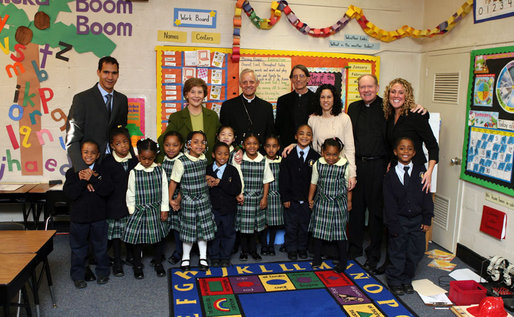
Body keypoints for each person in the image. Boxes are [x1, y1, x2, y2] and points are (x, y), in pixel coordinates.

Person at [347, 74, 426, 273]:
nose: (366, 90)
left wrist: (423, 111)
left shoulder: (387, 107)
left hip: (380, 165)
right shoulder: (353, 108)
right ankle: (354, 247)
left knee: (376, 212)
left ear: (377, 87)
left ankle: (373, 255)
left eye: (370, 87)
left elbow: (408, 117)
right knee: (355, 209)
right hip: (357, 164)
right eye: (362, 87)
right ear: (358, 89)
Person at [383, 136, 434, 296]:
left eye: (409, 149)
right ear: (396, 151)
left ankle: (406, 279)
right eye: (402, 148)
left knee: (416, 252)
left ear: (414, 153)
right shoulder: (390, 176)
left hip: (418, 221)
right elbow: (388, 203)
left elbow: (427, 196)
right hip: (399, 221)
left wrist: (427, 218)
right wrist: (393, 224)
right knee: (397, 251)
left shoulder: (421, 172)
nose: (406, 152)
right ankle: (395, 280)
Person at [63, 140, 113, 289]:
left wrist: (92, 178)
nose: (89, 155)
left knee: (100, 247)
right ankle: (78, 275)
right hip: (79, 218)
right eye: (85, 152)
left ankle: (103, 273)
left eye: (92, 153)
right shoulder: (72, 173)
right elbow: (70, 194)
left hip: (99, 217)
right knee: (78, 248)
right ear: (80, 154)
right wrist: (83, 180)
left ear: (98, 155)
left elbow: (107, 190)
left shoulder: (102, 171)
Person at [66, 56, 128, 171]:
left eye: (114, 73)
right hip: (90, 164)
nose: (110, 77)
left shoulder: (122, 100)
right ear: (98, 72)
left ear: (118, 75)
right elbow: (72, 138)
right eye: (106, 72)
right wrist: (81, 168)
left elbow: (122, 132)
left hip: (115, 163)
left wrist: (133, 158)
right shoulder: (82, 99)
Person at [169, 131, 217, 272]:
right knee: (188, 231)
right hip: (189, 202)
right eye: (196, 142)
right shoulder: (181, 161)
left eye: (202, 142)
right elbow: (174, 182)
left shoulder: (203, 159)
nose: (199, 145)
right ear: (188, 144)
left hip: (203, 200)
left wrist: (208, 178)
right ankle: (186, 257)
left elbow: (200, 177)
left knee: (203, 230)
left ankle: (203, 257)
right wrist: (172, 200)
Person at [123, 139, 169, 279]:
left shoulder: (159, 170)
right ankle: (137, 264)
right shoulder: (134, 172)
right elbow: (130, 192)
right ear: (139, 156)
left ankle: (158, 263)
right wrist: (132, 210)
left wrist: (164, 209)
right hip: (139, 210)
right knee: (138, 240)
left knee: (157, 239)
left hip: (155, 210)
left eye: (150, 158)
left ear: (154, 156)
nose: (147, 161)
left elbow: (165, 190)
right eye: (143, 158)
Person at [383, 78, 439, 193]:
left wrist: (429, 172)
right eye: (393, 92)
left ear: (407, 95)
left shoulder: (416, 115)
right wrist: (390, 161)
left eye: (401, 92)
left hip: (415, 170)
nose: (396, 95)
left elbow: (433, 145)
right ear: (388, 94)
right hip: (396, 169)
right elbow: (392, 143)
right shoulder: (389, 116)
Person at [308, 137, 349, 273]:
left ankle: (343, 262)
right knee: (319, 232)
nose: (331, 158)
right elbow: (314, 182)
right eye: (328, 154)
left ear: (339, 153)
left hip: (338, 204)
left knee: (339, 234)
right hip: (322, 203)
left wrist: (349, 201)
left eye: (335, 154)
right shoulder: (318, 164)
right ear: (322, 152)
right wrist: (310, 198)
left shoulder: (344, 165)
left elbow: (349, 186)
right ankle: (317, 258)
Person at [279, 124, 320, 260]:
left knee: (304, 226)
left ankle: (302, 248)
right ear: (296, 136)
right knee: (291, 227)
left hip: (307, 200)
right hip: (291, 200)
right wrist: (285, 198)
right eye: (301, 133)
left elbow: (317, 181)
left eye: (308, 134)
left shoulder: (316, 157)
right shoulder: (288, 155)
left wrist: (313, 199)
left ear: (312, 138)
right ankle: (291, 249)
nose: (304, 136)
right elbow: (283, 179)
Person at [101, 127, 138, 277]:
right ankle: (117, 261)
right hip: (114, 205)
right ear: (112, 145)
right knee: (116, 237)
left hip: (130, 204)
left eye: (125, 142)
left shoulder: (133, 159)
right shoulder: (107, 162)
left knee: (130, 234)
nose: (123, 146)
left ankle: (131, 257)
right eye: (118, 143)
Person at [157, 78, 220, 163]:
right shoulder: (177, 117)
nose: (196, 95)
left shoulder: (212, 116)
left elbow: (220, 140)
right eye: (192, 92)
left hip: (208, 164)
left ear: (204, 95)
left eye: (200, 92)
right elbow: (163, 140)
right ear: (186, 95)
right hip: (185, 167)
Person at [233, 133, 274, 261]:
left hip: (257, 199)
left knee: (255, 228)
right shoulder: (239, 159)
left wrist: (264, 198)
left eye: (255, 143)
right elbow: (235, 179)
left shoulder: (263, 160)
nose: (252, 146)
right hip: (244, 199)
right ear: (244, 146)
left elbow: (266, 181)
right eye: (248, 143)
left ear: (259, 145)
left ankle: (253, 250)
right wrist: (237, 194)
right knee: (244, 228)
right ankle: (244, 251)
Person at [206, 142, 242, 267]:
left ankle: (225, 257)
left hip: (229, 209)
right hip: (213, 209)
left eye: (226, 154)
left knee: (228, 233)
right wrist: (207, 183)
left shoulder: (232, 170)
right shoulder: (208, 169)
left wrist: (220, 182)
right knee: (214, 233)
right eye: (219, 153)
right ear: (213, 155)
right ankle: (214, 257)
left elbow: (236, 189)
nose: (223, 156)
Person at [220, 69, 275, 145]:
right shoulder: (228, 106)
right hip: (236, 153)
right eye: (244, 82)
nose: (248, 85)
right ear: (240, 84)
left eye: (252, 82)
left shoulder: (266, 107)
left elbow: (270, 134)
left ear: (257, 83)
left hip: (260, 152)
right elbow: (223, 135)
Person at [275, 65, 316, 147]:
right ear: (291, 79)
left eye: (301, 76)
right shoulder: (282, 101)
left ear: (308, 79)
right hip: (287, 148)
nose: (298, 79)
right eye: (295, 76)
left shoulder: (316, 100)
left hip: (311, 147)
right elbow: (277, 129)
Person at [159, 131, 184, 265]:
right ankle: (160, 253)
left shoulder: (182, 160)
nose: (171, 148)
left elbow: (185, 184)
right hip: (165, 199)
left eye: (175, 145)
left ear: (181, 146)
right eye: (167, 145)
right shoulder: (162, 160)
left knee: (178, 228)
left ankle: (178, 252)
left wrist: (177, 200)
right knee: (163, 226)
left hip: (177, 201)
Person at [262, 135, 283, 256]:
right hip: (265, 195)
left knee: (274, 223)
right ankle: (264, 245)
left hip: (277, 196)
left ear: (278, 147)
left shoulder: (281, 160)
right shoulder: (262, 160)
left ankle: (271, 245)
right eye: (268, 146)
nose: (271, 149)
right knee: (264, 223)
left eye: (274, 146)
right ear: (264, 147)